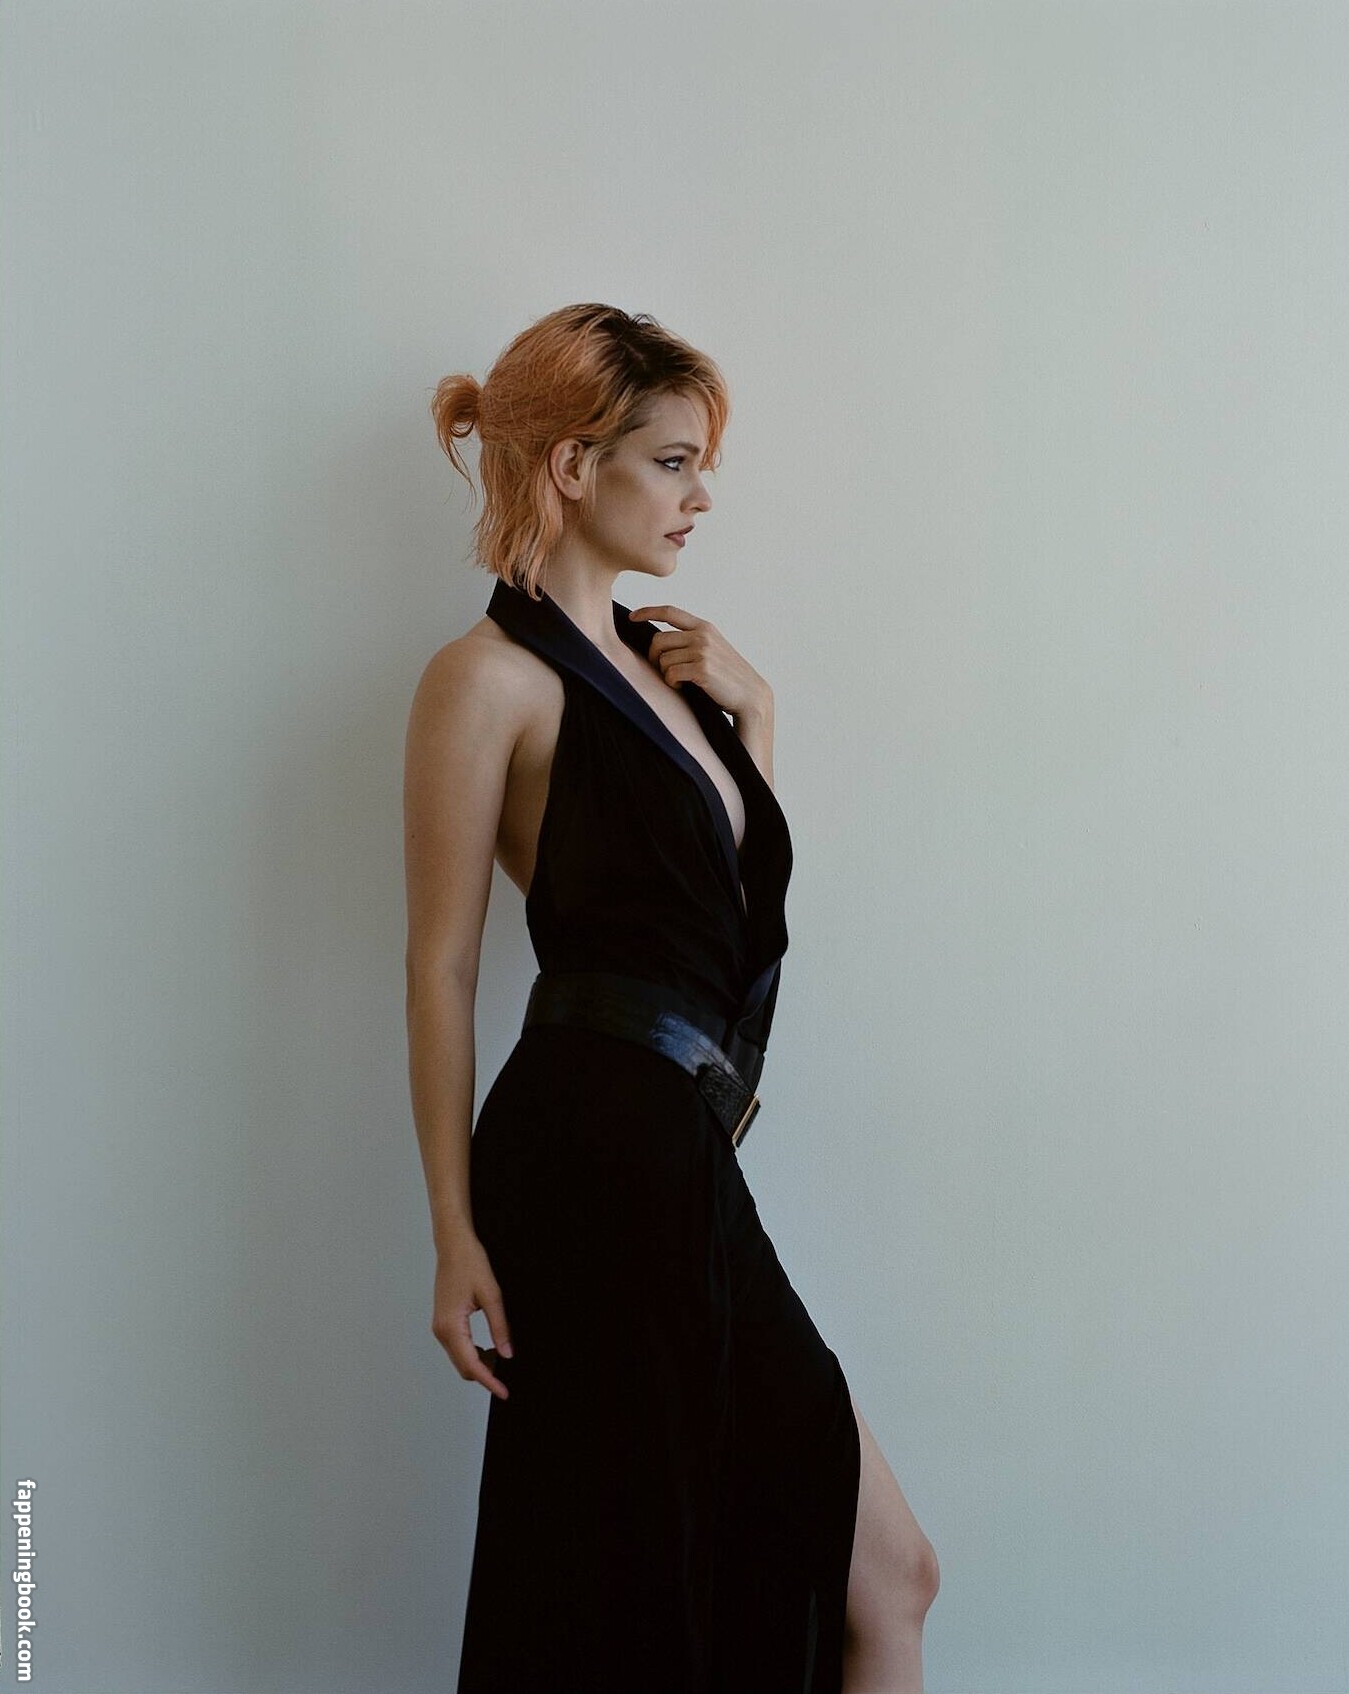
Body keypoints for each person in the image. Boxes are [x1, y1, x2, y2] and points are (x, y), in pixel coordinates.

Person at [404, 303, 940, 1694]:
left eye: (703, 466)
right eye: (673, 462)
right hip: (592, 1149)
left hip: (679, 1146)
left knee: (871, 1573)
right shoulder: (485, 680)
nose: (700, 498)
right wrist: (453, 1231)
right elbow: (441, 965)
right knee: (665, 1579)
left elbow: (722, 923)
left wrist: (753, 725)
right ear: (573, 467)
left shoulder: (679, 679)